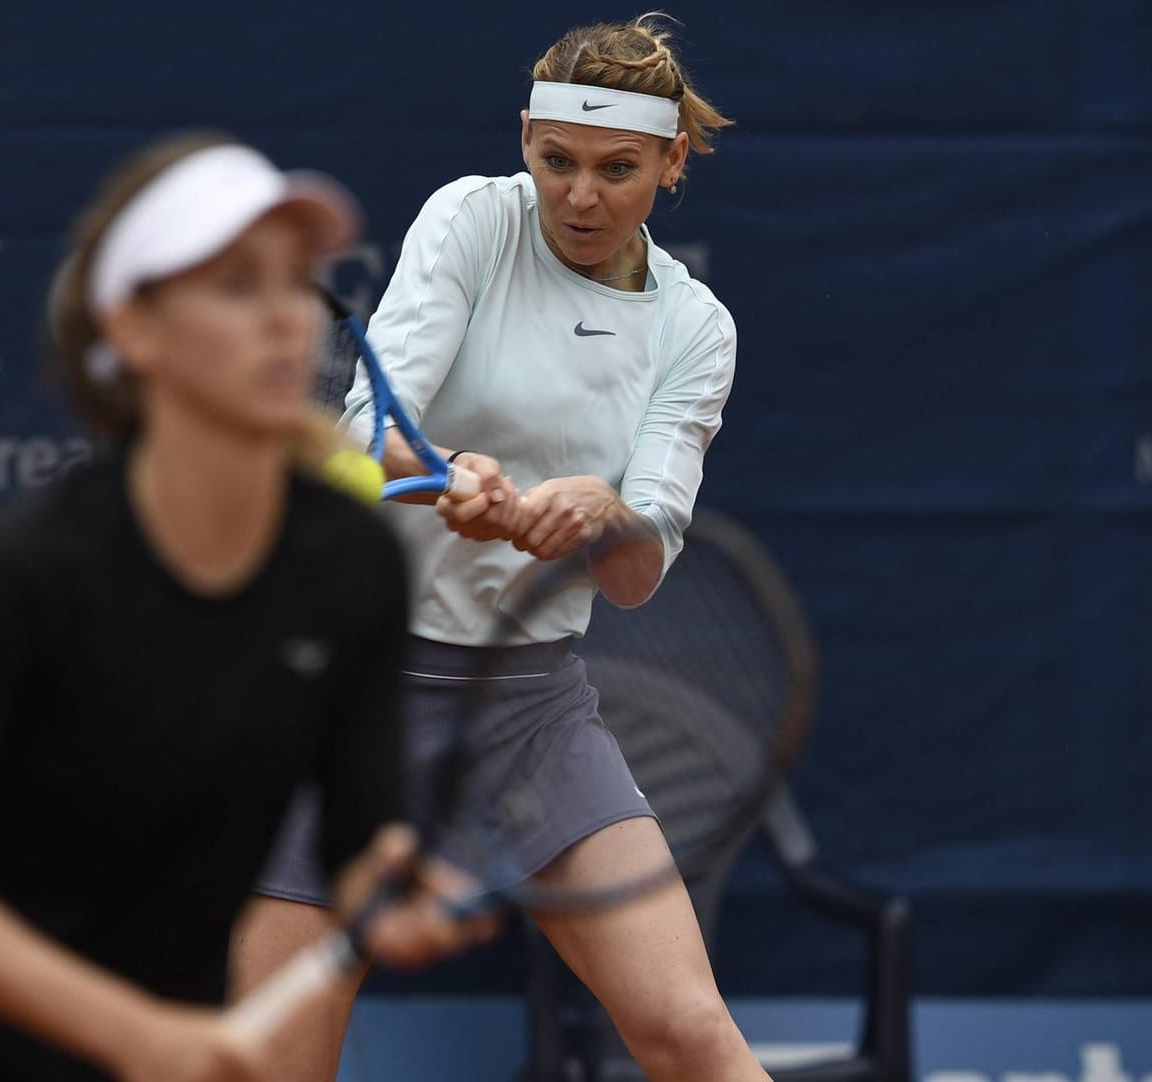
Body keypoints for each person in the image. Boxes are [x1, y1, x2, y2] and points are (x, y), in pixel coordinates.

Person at [0, 133, 483, 1082]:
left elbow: (352, 832)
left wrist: (388, 880)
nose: (285, 319)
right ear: (133, 331)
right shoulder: (26, 575)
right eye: (235, 284)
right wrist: (129, 1031)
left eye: (296, 281)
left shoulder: (351, 566)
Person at [233, 16, 772, 1082]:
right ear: (524, 136)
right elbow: (356, 439)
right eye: (555, 159)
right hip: (347, 702)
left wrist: (598, 513)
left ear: (671, 164)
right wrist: (452, 472)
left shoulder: (696, 328)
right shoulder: (473, 219)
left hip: (531, 712)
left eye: (618, 169)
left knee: (689, 1032)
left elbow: (636, 569)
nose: (580, 196)